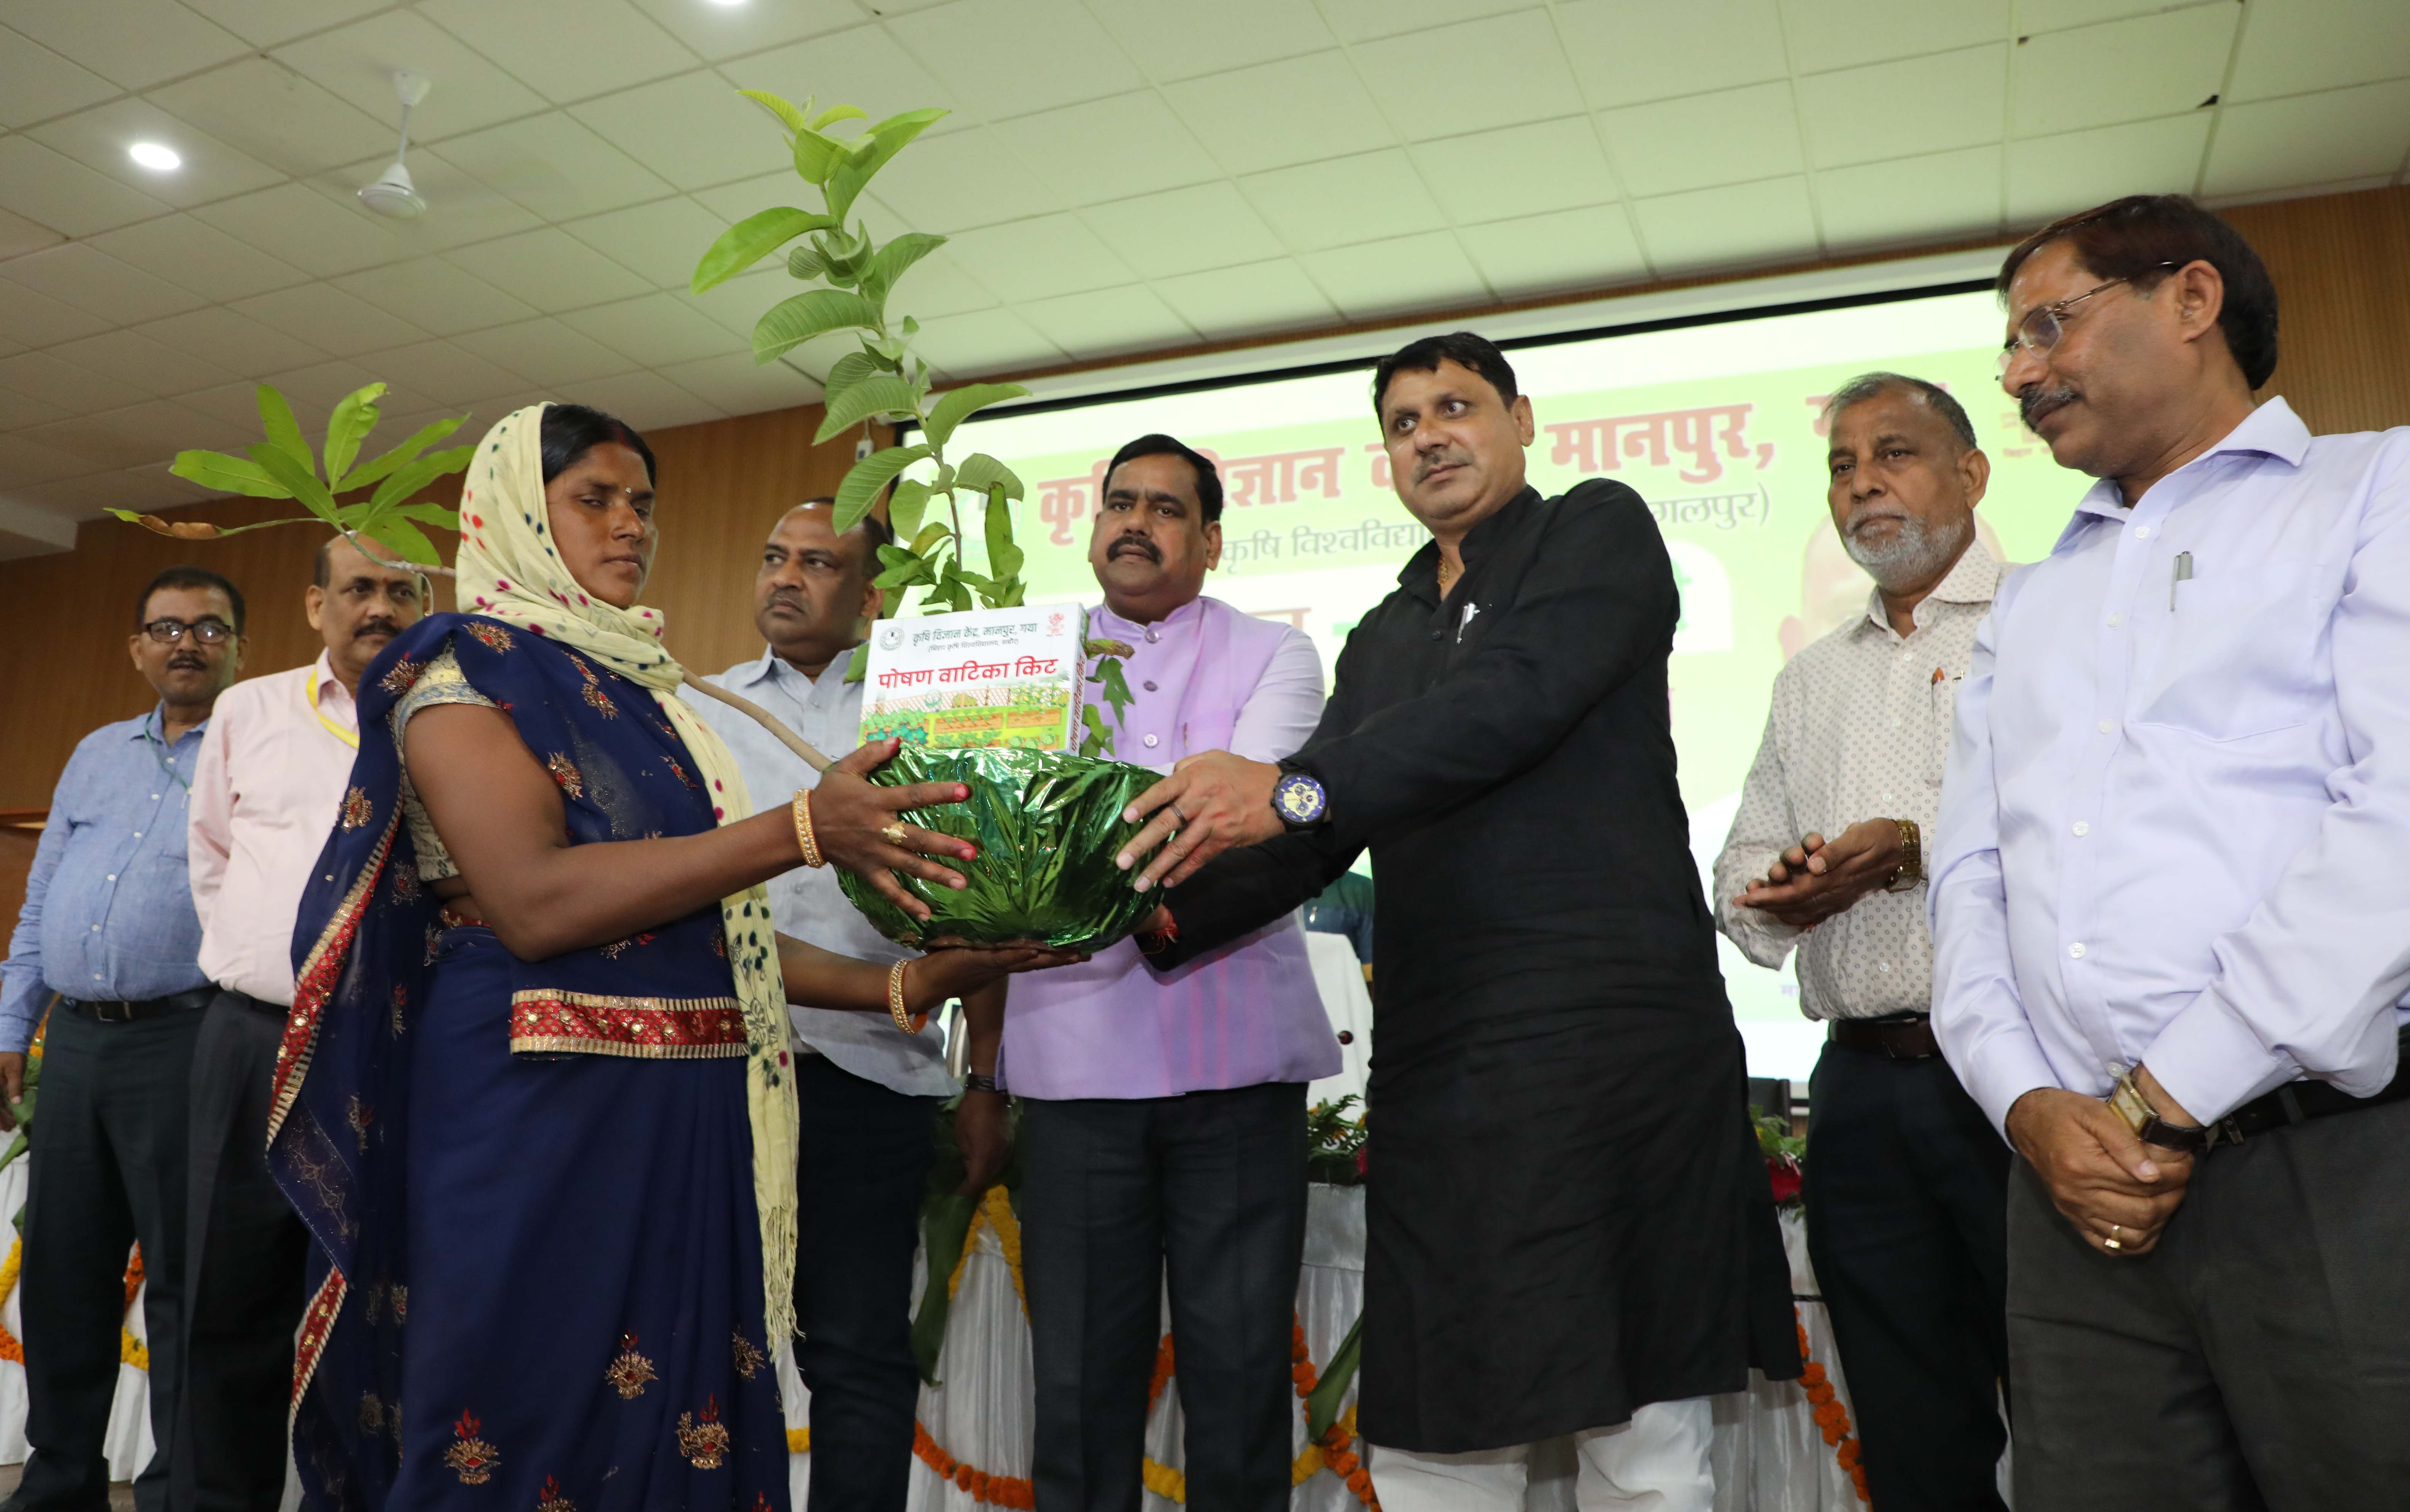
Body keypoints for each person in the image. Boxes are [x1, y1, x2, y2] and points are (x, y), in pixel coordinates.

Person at [268, 403, 1075, 1508]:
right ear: (517, 513)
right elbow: (536, 902)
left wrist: (902, 984)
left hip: (683, 1110)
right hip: (534, 1106)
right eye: (592, 500)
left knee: (667, 1423)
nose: (630, 525)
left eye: (641, 503)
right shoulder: (458, 674)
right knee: (515, 1411)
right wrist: (801, 828)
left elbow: (707, 930)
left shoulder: (645, 692)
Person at [1111, 334, 1798, 1512]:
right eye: (1403, 422)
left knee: (1641, 1446)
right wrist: (1130, 913)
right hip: (1446, 1075)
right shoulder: (1385, 633)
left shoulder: (1596, 532)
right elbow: (1311, 837)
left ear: (1520, 420)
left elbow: (1510, 702)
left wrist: (1290, 791)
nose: (1429, 435)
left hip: (1610, 1054)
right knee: (1437, 1437)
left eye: (1456, 406)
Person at [1930, 194, 2410, 1508]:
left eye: (2049, 325)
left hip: (2325, 1167)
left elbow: (2393, 823)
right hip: (2066, 1194)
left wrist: (2153, 1103)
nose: (2018, 374)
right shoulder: (2029, 598)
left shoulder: (2375, 490)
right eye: (2010, 344)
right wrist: (2029, 1107)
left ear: (2191, 299)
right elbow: (1968, 880)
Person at [967, 434, 1334, 1512]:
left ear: (1211, 541)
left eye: (1167, 508)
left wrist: (1059, 840)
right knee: (1079, 1392)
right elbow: (987, 846)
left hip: (1239, 1073)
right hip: (1073, 1073)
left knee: (1240, 1380)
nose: (1137, 522)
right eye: (1119, 502)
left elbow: (1239, 827)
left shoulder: (1277, 653)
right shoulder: (1026, 657)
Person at [1714, 372, 2010, 1509]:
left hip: (2015, 1074)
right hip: (1860, 1093)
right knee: (1909, 1425)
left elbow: (2092, 831)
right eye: (1843, 465)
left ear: (1971, 474)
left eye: (1895, 454)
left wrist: (1912, 846)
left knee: (2086, 1403)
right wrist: (1786, 890)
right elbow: (1739, 871)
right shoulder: (1810, 678)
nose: (1864, 483)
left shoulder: (2045, 621)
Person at [677, 497, 939, 1512]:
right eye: (774, 556)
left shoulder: (921, 712)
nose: (786, 577)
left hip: (871, 1074)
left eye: (818, 563)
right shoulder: (696, 709)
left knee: (858, 1353)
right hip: (718, 1074)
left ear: (871, 599)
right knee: (701, 1342)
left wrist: (988, 1079)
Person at [176, 536, 426, 1511]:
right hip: (248, 1039)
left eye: (401, 590)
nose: (380, 607)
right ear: (317, 604)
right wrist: (266, 970)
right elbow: (212, 855)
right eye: (358, 588)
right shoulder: (250, 708)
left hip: (384, 1050)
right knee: (226, 1296)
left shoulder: (450, 722)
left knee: (370, 1301)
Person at [0, 565, 246, 1512]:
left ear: (239, 647)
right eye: (167, 627)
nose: (187, 643)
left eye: (209, 628)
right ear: (138, 647)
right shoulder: (95, 752)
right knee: (64, 1270)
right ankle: (59, 1481)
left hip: (188, 1039)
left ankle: (175, 1490)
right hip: (75, 1045)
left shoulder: (254, 752)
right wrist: (13, 1023)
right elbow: (40, 902)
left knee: (186, 1280)